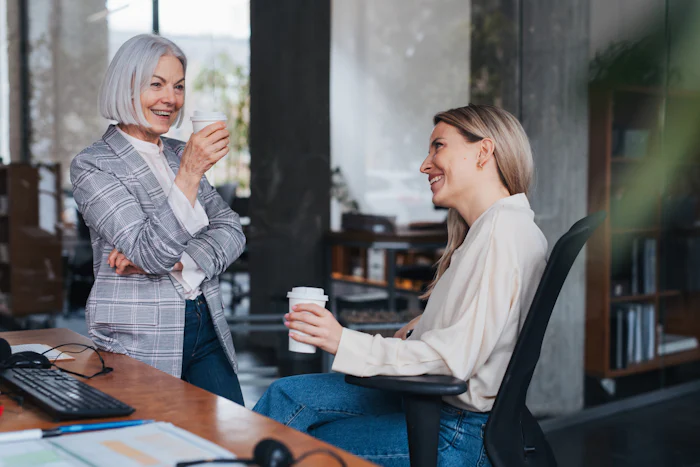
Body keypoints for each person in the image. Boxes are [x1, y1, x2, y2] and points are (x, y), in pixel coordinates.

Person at [253, 104, 548, 466]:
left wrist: (341, 340)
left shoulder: (500, 236)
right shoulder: (497, 227)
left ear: (483, 152)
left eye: (438, 146)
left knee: (299, 450)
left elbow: (451, 362)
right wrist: (420, 330)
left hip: (457, 432)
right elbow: (475, 334)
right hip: (445, 412)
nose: (425, 164)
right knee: (286, 396)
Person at [71, 34, 245, 405]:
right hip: (138, 335)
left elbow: (232, 230)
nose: (171, 98)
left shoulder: (179, 152)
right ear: (127, 86)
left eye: (179, 86)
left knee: (231, 446)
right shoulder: (94, 165)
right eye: (157, 84)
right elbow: (149, 254)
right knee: (150, 446)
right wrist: (191, 172)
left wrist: (183, 260)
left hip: (205, 320)